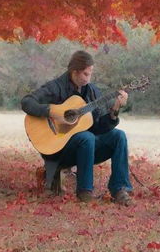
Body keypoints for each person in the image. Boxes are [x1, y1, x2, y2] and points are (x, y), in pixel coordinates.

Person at [21, 49, 132, 205]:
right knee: (86, 137)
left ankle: (119, 189)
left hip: (86, 149)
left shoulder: (92, 92)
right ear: (74, 72)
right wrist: (53, 112)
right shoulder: (55, 87)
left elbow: (99, 127)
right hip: (57, 150)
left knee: (118, 136)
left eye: (90, 74)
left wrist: (114, 111)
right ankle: (84, 192)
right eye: (85, 74)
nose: (89, 78)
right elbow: (27, 102)